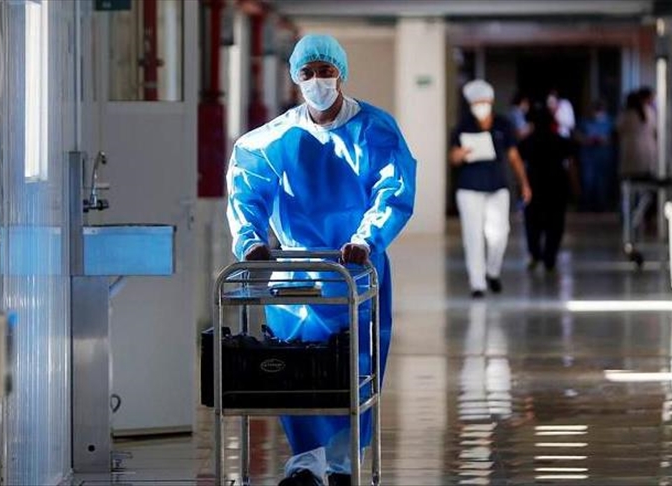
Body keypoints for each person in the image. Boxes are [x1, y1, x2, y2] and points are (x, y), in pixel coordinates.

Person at [226, 34, 416, 486]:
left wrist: (366, 240)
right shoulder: (273, 139)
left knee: (355, 365)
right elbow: (246, 189)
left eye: (325, 71)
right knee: (295, 368)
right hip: (295, 273)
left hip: (354, 270)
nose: (317, 81)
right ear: (295, 77)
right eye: (307, 72)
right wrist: (251, 243)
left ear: (341, 73)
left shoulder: (375, 129)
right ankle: (306, 462)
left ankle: (343, 463)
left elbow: (392, 189)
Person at [449, 79, 532, 297]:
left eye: (484, 101)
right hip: (469, 187)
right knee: (473, 235)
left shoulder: (503, 125)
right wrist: (460, 154)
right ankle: (477, 283)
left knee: (499, 233)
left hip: (497, 186)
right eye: (476, 102)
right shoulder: (463, 126)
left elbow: (514, 157)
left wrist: (524, 183)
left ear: (491, 101)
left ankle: (492, 271)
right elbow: (453, 157)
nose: (481, 105)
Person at [517, 105, 577, 272]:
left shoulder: (528, 141)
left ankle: (535, 254)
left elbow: (519, 163)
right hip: (556, 186)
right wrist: (575, 187)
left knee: (532, 223)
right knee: (555, 223)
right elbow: (571, 164)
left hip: (535, 185)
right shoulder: (560, 141)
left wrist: (521, 185)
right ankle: (549, 257)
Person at [575, 100, 614, 211]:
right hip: (588, 155)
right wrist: (585, 140)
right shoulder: (584, 122)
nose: (597, 114)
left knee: (602, 182)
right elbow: (576, 135)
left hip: (603, 155)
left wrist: (605, 140)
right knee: (587, 180)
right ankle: (586, 204)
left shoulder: (609, 122)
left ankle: (601, 204)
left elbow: (614, 137)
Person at [616, 90, 657, 177]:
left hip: (630, 148)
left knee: (632, 176)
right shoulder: (650, 112)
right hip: (648, 149)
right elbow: (654, 130)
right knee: (646, 175)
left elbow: (619, 130)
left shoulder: (626, 114)